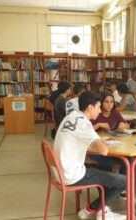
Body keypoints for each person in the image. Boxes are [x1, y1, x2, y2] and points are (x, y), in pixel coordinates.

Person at [53, 91, 126, 220]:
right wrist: (99, 140)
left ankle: (104, 211)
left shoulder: (71, 116)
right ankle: (92, 208)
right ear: (90, 107)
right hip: (72, 175)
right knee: (125, 181)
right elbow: (104, 151)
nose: (99, 111)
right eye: (98, 107)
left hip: (60, 171)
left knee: (104, 168)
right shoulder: (84, 123)